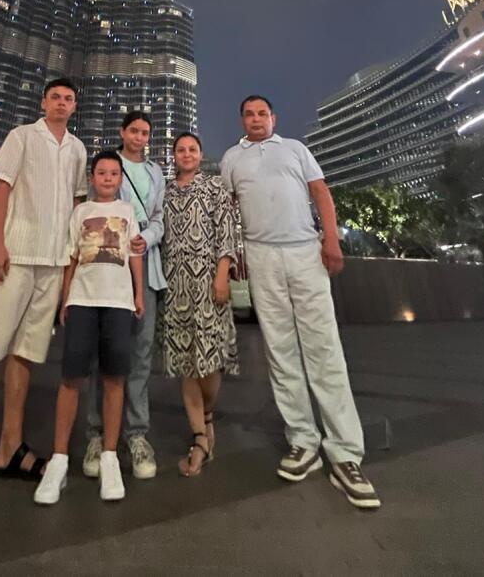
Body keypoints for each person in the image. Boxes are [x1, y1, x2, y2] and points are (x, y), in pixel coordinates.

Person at [220, 95, 380, 510]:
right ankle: (303, 442)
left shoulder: (295, 149)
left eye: (262, 114)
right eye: (249, 115)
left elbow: (320, 193)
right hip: (260, 256)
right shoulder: (231, 159)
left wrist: (331, 238)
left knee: (324, 347)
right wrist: (234, 253)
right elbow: (228, 209)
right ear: (242, 120)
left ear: (273, 117)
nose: (256, 120)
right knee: (280, 352)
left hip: (305, 251)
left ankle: (345, 453)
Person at [0, 79, 87, 512]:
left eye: (68, 99)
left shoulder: (79, 149)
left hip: (53, 259)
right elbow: (2, 187)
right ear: (43, 103)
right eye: (55, 98)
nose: (62, 103)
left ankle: (10, 447)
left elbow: (79, 206)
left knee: (26, 353)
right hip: (16, 253)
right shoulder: (22, 136)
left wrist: (70, 268)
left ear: (74, 106)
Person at [34, 150, 144, 504]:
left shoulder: (128, 212)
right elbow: (72, 256)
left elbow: (134, 255)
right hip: (82, 299)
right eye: (102, 173)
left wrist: (139, 294)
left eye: (114, 173)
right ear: (92, 178)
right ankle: (60, 458)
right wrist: (65, 297)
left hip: (118, 301)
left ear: (121, 179)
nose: (108, 178)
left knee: (115, 378)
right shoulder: (80, 212)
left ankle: (110, 455)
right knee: (71, 377)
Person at [83, 111, 165, 480]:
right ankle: (97, 434)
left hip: (145, 264)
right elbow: (91, 211)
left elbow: (159, 218)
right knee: (103, 351)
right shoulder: (107, 166)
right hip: (105, 265)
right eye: (133, 130)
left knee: (142, 352)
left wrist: (145, 238)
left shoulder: (155, 172)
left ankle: (136, 434)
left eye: (145, 132)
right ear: (122, 132)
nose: (139, 136)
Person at [162, 132, 239, 476]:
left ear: (201, 154)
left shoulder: (215, 187)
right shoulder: (164, 191)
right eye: (181, 150)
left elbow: (227, 232)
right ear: (174, 155)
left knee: (209, 361)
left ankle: (207, 414)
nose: (187, 154)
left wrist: (222, 275)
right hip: (175, 285)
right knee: (186, 361)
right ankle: (200, 436)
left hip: (208, 282)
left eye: (192, 149)